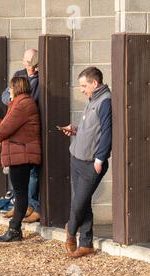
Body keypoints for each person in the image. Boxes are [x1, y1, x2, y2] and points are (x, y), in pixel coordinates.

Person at [60, 67, 111, 258]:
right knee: (84, 202)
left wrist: (100, 158)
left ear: (94, 84)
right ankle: (87, 244)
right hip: (77, 158)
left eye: (84, 85)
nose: (81, 89)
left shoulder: (105, 102)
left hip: (91, 163)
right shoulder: (93, 99)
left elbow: (107, 132)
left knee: (79, 202)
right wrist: (76, 129)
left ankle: (70, 229)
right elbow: (92, 128)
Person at [0, 77, 41, 242]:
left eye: (10, 88)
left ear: (16, 88)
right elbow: (10, 125)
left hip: (21, 154)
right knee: (20, 192)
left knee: (20, 193)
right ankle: (15, 228)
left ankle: (14, 229)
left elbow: (4, 130)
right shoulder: (20, 103)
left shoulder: (22, 104)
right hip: (20, 152)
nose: (8, 91)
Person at [0, 48, 41, 223]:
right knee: (17, 176)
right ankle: (19, 207)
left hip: (29, 132)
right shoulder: (19, 74)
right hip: (18, 127)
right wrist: (12, 101)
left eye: (28, 62)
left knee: (32, 174)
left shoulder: (40, 79)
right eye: (24, 61)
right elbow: (5, 94)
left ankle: (31, 206)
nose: (25, 65)